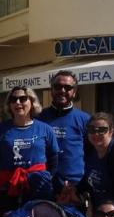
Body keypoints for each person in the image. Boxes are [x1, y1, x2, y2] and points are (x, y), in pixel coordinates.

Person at [0, 86, 59, 215]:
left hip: (38, 189)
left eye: (23, 99)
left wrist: (45, 178)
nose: (18, 103)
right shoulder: (0, 130)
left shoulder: (45, 129)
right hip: (9, 188)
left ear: (32, 102)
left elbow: (53, 158)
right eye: (13, 99)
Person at [38, 71, 90, 205]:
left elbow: (92, 156)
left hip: (74, 191)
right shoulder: (38, 119)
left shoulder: (85, 120)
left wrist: (81, 188)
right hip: (44, 188)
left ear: (74, 91)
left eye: (67, 87)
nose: (62, 90)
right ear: (51, 90)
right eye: (58, 86)